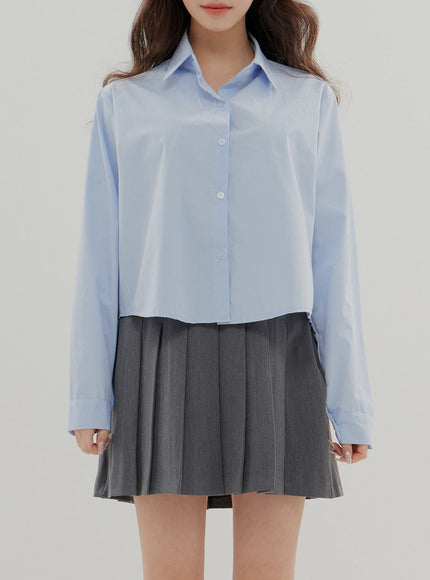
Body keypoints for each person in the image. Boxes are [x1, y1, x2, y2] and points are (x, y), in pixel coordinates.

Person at [68, 1, 374, 578]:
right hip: (158, 354)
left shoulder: (308, 102)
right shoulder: (125, 104)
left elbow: (334, 258)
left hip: (280, 355)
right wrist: (89, 396)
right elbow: (99, 256)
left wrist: (349, 403)